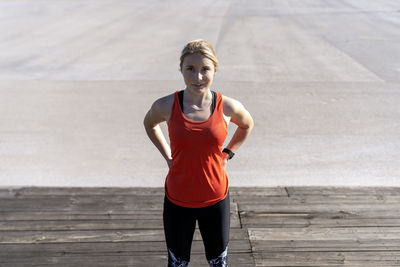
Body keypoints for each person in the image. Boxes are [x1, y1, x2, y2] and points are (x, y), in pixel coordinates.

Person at [143, 39, 254, 267]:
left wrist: (228, 153)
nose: (198, 77)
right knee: (177, 263)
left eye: (205, 69)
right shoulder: (166, 105)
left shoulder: (227, 107)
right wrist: (167, 156)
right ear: (181, 70)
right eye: (190, 69)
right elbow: (149, 124)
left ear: (215, 70)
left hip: (215, 199)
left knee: (218, 263)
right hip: (178, 199)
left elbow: (247, 125)